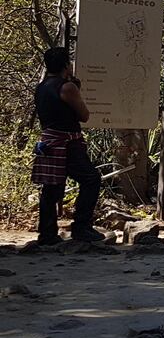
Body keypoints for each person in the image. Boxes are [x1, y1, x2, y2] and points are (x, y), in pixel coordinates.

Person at [32, 47, 103, 245]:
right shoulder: (67, 87)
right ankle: (81, 227)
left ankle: (47, 233)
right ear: (65, 65)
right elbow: (84, 115)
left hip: (48, 140)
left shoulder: (41, 86)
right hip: (68, 141)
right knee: (90, 179)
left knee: (51, 187)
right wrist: (76, 88)